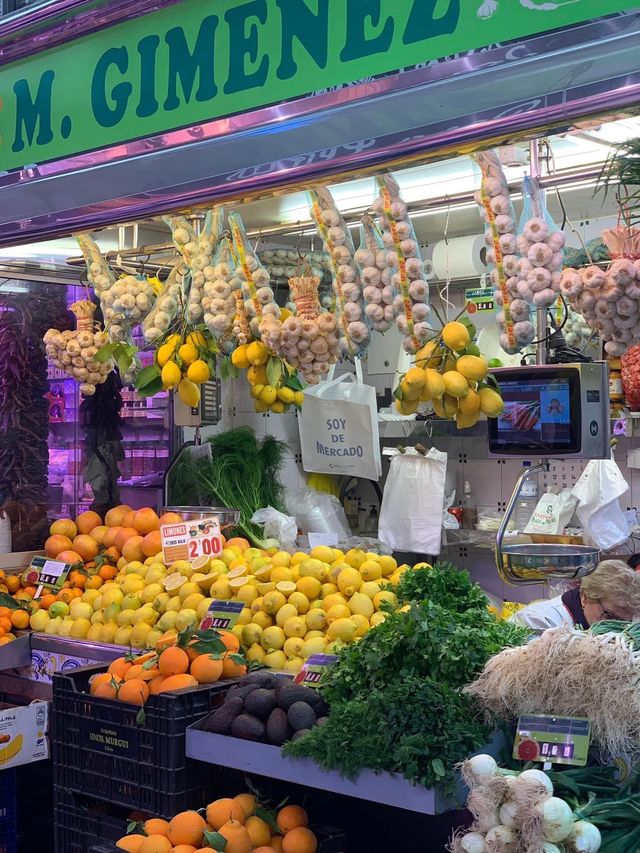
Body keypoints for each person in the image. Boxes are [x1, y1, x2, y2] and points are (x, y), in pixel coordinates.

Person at [509, 559, 640, 632]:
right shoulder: (539, 621)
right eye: (609, 616)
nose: (615, 627)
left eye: (624, 622)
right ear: (585, 597)